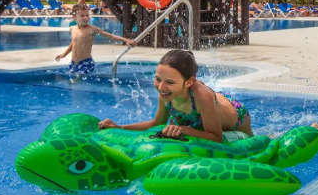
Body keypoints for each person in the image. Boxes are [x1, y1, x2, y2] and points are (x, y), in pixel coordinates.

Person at [98, 49, 252, 142]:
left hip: (235, 117)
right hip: (193, 117)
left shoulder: (201, 97)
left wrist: (184, 130)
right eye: (158, 79)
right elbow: (156, 123)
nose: (161, 87)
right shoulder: (166, 94)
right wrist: (120, 127)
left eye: (170, 82)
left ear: (189, 81)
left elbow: (216, 137)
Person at [55, 4, 136, 74]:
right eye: (82, 16)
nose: (86, 17)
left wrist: (127, 40)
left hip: (86, 62)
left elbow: (110, 36)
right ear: (74, 17)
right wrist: (64, 54)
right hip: (74, 62)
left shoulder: (92, 29)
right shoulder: (72, 28)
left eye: (87, 15)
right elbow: (74, 43)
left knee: (76, 81)